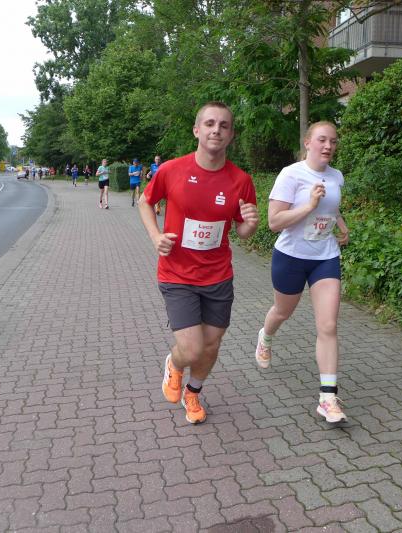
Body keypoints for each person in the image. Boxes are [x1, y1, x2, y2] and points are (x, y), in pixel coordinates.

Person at [139, 102, 259, 424]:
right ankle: (175, 364)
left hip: (218, 276)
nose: (216, 130)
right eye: (209, 123)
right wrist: (155, 236)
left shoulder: (241, 180)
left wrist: (251, 224)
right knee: (192, 348)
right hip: (177, 274)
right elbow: (145, 202)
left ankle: (193, 392)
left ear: (231, 135)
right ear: (196, 130)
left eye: (223, 125)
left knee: (211, 344)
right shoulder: (171, 170)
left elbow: (242, 231)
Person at [254, 121, 350, 423]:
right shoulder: (291, 174)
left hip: (325, 257)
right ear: (307, 142)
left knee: (328, 325)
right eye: (322, 140)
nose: (328, 146)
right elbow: (274, 222)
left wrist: (341, 224)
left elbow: (331, 208)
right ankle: (266, 337)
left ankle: (327, 398)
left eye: (333, 141)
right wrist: (308, 206)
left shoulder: (336, 176)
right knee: (282, 311)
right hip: (291, 257)